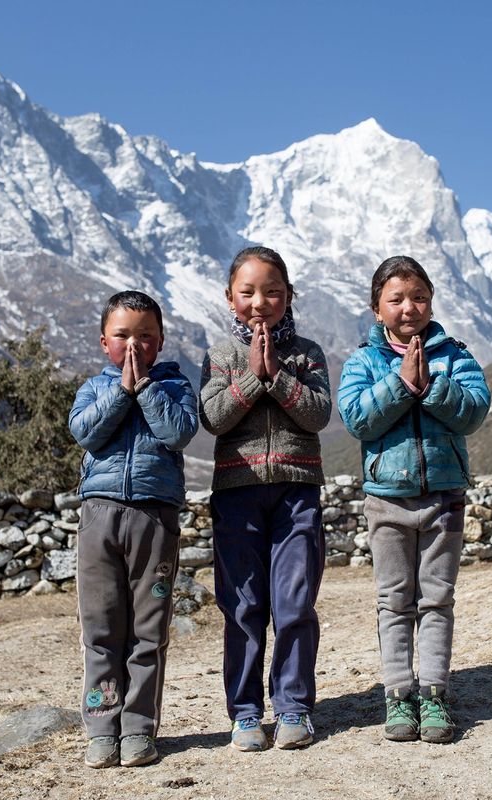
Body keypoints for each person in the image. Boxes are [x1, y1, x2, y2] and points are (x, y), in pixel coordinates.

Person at [337, 255, 491, 744]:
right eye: (396, 299)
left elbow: (474, 411)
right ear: (376, 308)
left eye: (419, 297)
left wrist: (432, 385)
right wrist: (402, 384)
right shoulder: (363, 361)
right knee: (393, 600)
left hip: (444, 495)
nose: (409, 308)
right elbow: (358, 419)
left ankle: (435, 694)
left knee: (438, 598)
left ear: (431, 302)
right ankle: (399, 694)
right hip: (387, 500)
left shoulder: (455, 355)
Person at [199, 245, 332, 751]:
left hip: (297, 492)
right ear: (230, 298)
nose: (261, 301)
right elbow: (213, 418)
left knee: (295, 603)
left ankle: (294, 706)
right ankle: (247, 712)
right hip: (237, 494)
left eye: (273, 291)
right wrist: (253, 377)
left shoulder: (308, 353)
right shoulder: (219, 356)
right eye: (248, 292)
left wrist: (277, 375)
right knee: (243, 605)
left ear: (289, 295)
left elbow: (319, 415)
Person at [67, 290, 198, 768]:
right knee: (101, 627)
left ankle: (140, 727)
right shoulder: (93, 388)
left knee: (149, 629)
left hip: (154, 517)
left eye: (145, 337)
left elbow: (179, 432)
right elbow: (85, 432)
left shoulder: (175, 386)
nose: (134, 346)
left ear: (160, 342)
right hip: (99, 515)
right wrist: (121, 391)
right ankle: (102, 727)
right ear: (105, 342)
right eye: (123, 336)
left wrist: (144, 388)